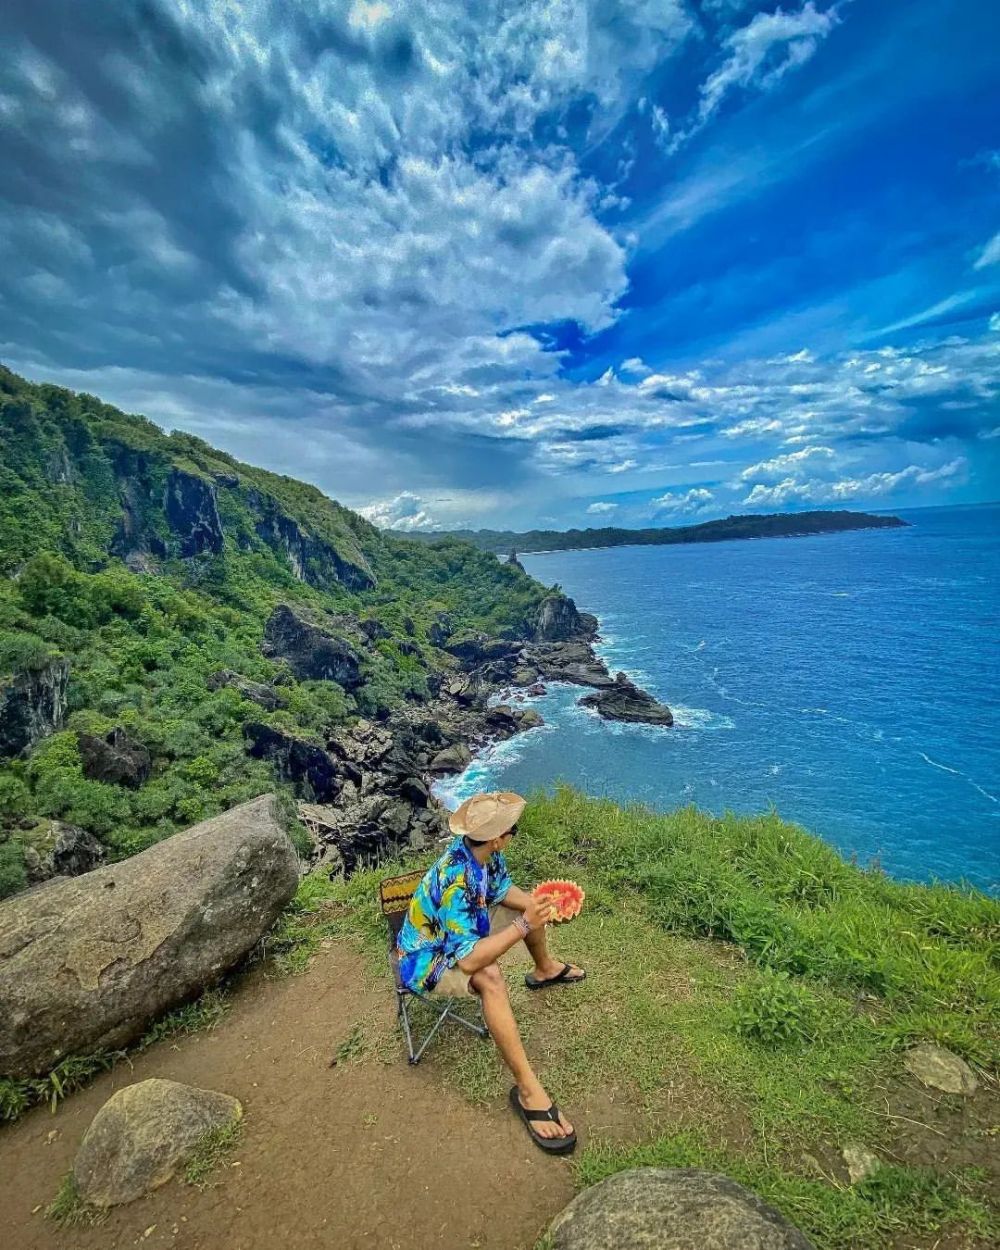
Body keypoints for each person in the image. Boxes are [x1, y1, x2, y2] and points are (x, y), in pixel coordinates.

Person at [396, 790, 586, 1154]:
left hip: (457, 929)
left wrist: (535, 906)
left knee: (532, 907)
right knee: (490, 976)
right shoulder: (458, 879)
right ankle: (529, 1091)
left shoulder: (485, 853)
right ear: (499, 838)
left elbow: (500, 891)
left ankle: (545, 969)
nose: (515, 833)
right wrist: (523, 926)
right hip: (423, 957)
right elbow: (467, 962)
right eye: (513, 829)